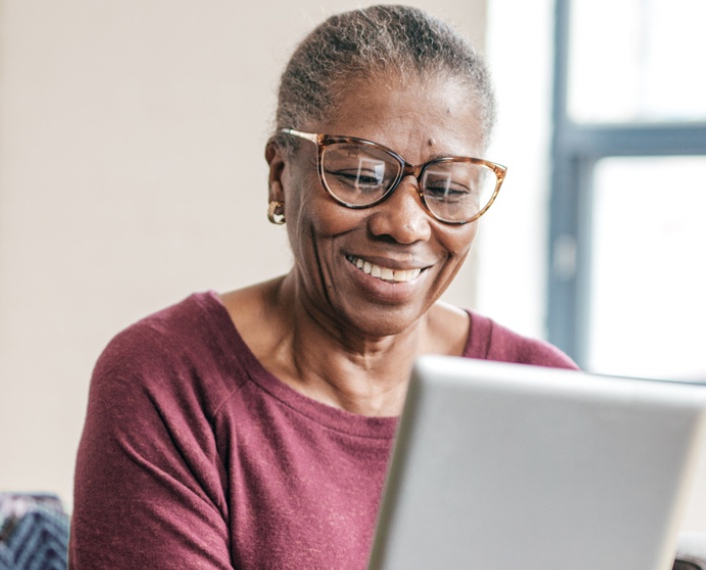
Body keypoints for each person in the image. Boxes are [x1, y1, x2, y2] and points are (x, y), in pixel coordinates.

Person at [70, 5, 576, 568]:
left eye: (450, 189)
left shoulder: (544, 395)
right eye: (360, 176)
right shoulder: (168, 382)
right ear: (281, 176)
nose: (406, 225)